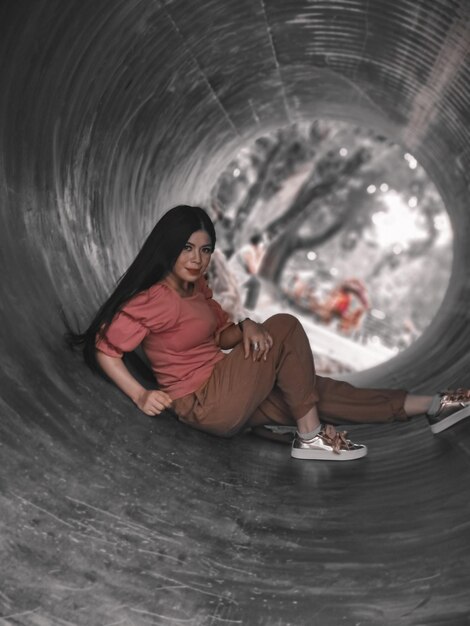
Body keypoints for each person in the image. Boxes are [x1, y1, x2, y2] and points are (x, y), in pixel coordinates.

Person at [67, 205, 470, 462]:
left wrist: (245, 328)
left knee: (318, 390)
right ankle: (311, 438)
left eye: (205, 250)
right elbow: (105, 346)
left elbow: (220, 336)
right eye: (187, 248)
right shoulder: (156, 298)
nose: (197, 259)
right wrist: (140, 395)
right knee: (286, 325)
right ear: (168, 248)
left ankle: (435, 406)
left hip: (229, 387)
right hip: (203, 401)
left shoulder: (198, 290)